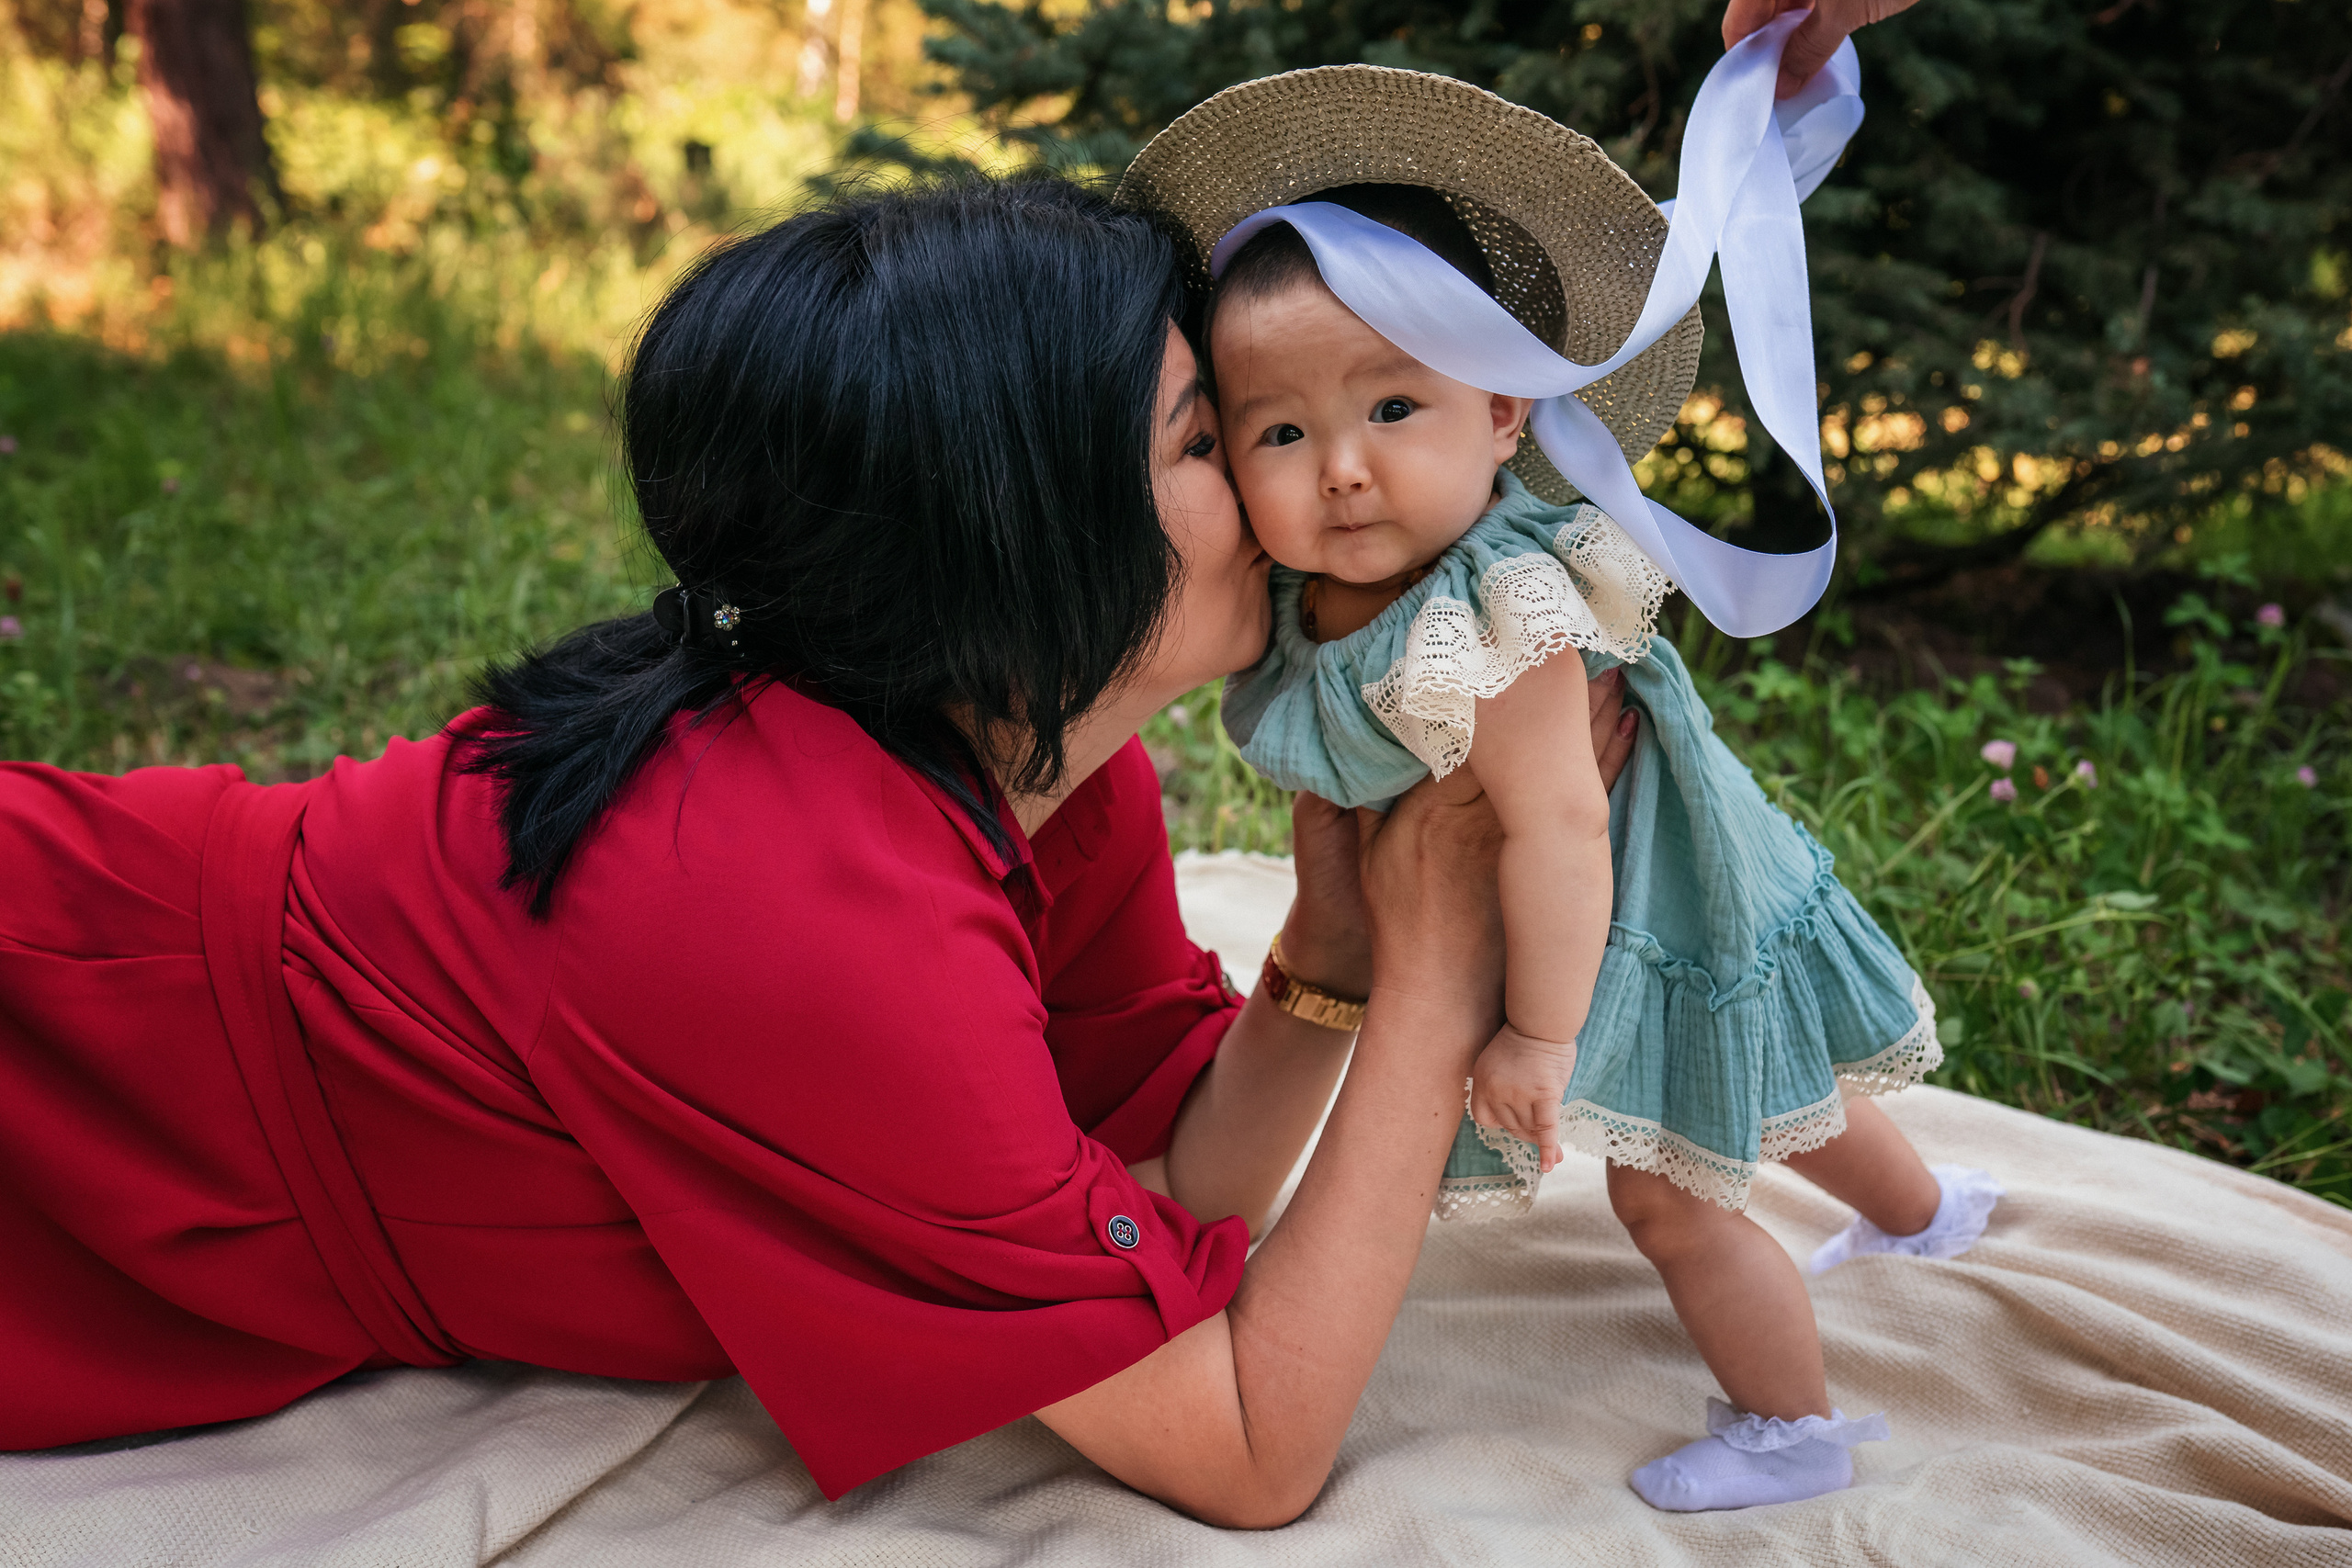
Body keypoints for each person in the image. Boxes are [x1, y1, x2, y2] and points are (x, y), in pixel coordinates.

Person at [0, 176, 1641, 1529]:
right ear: (1017, 534)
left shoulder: (1052, 769)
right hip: (75, 1096)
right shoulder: (805, 907)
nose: (1313, 495)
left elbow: (1154, 1185)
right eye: (1214, 441)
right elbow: (1247, 1448)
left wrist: (1337, 961)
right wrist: (1436, 989)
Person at [1114, 8, 1992, 1515]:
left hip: (1616, 918)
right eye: (1277, 430)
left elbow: (1561, 833)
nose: (1343, 465)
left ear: (1504, 410)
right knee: (1785, 1065)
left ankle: (1796, 1427)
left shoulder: (1499, 612)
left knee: (1669, 1186)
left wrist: (1531, 1040)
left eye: (1396, 408)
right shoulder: (1303, 598)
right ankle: (1928, 1217)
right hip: (1643, 882)